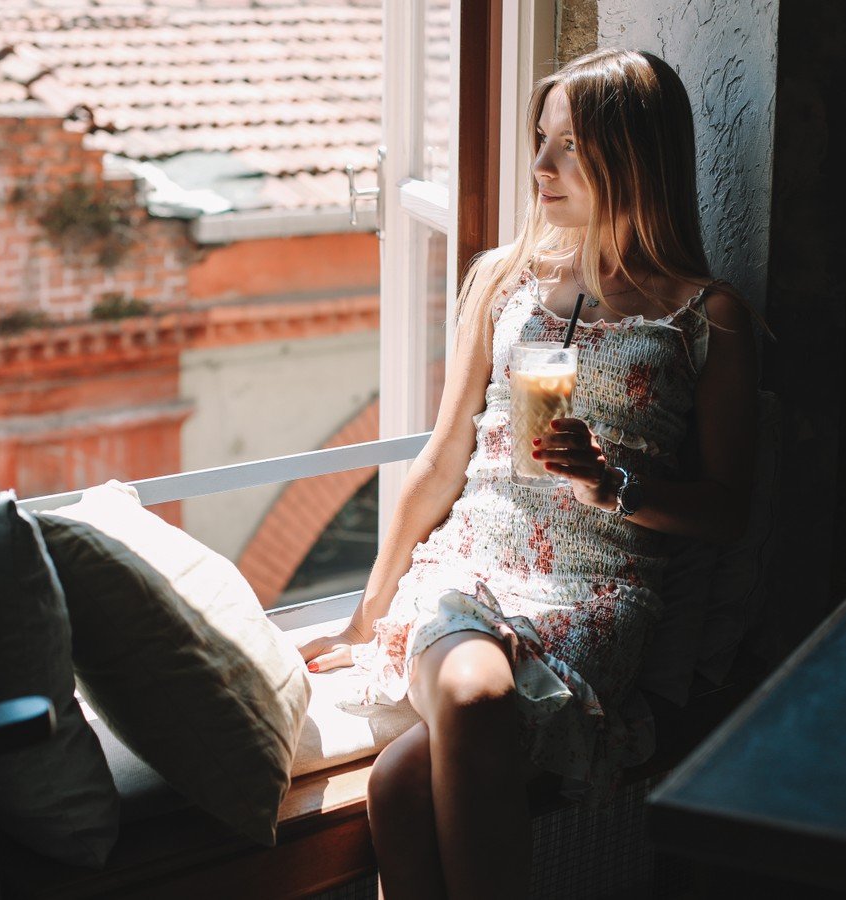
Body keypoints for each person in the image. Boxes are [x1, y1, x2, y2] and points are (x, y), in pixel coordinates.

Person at [296, 47, 765, 899]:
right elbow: (443, 457)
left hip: (597, 593)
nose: (541, 166)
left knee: (400, 790)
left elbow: (729, 512)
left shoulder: (707, 315)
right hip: (469, 566)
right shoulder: (505, 280)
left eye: (570, 146)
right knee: (469, 702)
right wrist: (367, 611)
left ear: (637, 156)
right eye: (541, 140)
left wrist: (614, 486)